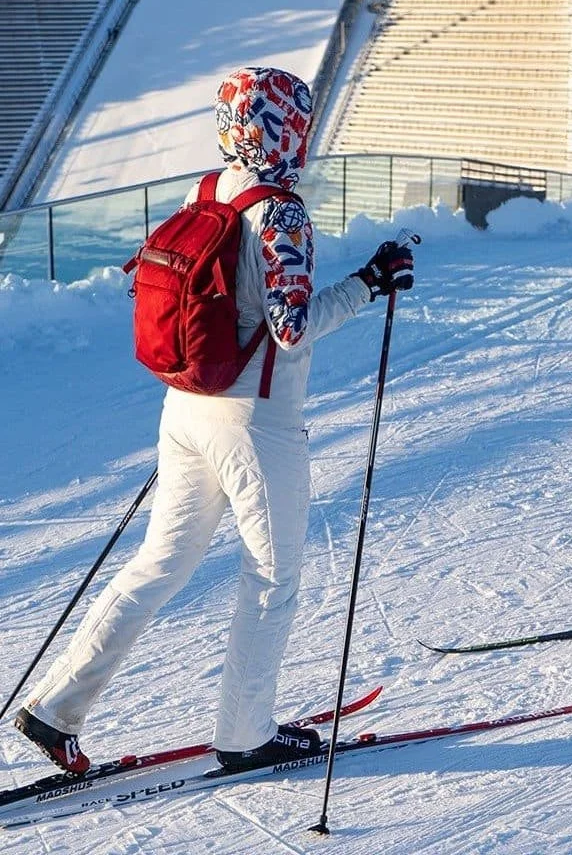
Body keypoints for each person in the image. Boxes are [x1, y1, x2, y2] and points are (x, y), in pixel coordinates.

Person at [14, 67, 414, 775]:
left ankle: (55, 709)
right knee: (271, 576)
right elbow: (292, 329)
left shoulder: (211, 190)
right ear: (286, 127)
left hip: (185, 407)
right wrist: (369, 283)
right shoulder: (281, 211)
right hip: (256, 423)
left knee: (159, 563)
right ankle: (245, 733)